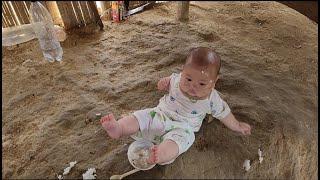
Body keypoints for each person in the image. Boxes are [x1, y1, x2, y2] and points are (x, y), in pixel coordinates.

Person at [100, 47, 252, 165]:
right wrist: (163, 83)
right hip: (160, 114)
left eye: (201, 83)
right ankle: (119, 128)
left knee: (180, 141)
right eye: (188, 79)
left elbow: (224, 114)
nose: (193, 86)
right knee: (141, 117)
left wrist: (237, 125)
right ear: (183, 71)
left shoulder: (212, 100)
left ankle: (159, 154)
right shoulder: (177, 79)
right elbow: (167, 82)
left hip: (183, 127)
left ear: (215, 81)